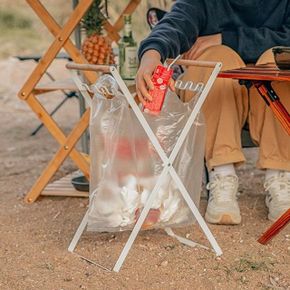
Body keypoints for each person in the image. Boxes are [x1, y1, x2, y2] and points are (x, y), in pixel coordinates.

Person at [136, 0, 290, 225]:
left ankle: (281, 176)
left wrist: (227, 38)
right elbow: (176, 22)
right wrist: (152, 53)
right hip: (218, 95)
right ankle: (222, 174)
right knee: (217, 57)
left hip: (268, 96)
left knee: (279, 59)